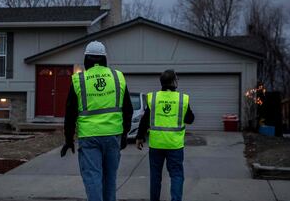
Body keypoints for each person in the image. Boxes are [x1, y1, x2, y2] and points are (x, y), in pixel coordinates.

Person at [61, 40, 133, 201]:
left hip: (89, 137)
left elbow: (70, 113)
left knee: (93, 178)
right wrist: (124, 135)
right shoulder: (117, 76)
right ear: (104, 59)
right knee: (110, 180)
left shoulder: (79, 80)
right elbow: (128, 109)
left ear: (86, 59)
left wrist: (68, 139)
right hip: (113, 135)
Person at [136, 69, 195, 201]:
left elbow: (145, 119)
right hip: (175, 145)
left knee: (155, 176)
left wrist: (139, 137)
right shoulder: (182, 99)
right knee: (176, 175)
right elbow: (190, 119)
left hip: (156, 144)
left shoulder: (153, 98)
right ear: (174, 81)